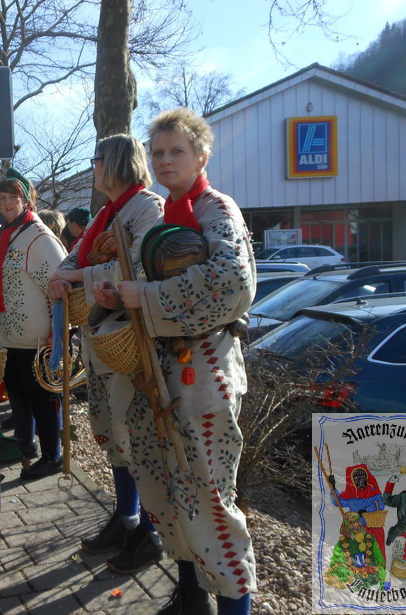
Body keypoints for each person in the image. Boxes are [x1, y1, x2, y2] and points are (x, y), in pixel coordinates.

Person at [94, 108, 257, 614]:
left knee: (207, 493)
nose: (165, 160)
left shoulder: (216, 208)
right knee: (164, 487)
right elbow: (152, 280)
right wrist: (119, 296)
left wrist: (145, 296)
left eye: (177, 151)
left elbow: (233, 282)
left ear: (201, 156)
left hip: (204, 367)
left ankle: (233, 604)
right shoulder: (165, 214)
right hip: (161, 367)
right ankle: (190, 596)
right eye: (159, 152)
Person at [46, 134, 165, 575]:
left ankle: (150, 533)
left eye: (96, 160)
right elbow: (72, 258)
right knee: (110, 431)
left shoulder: (148, 209)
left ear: (115, 162)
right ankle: (126, 516)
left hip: (129, 341)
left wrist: (77, 275)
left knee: (135, 435)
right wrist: (61, 275)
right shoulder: (104, 214)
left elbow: (136, 266)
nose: (93, 168)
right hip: (99, 338)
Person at [0, 167, 67, 479]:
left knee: (43, 400)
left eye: (13, 197)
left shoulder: (39, 237)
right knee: (19, 396)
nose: (7, 203)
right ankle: (26, 445)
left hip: (36, 339)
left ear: (26, 200)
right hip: (8, 337)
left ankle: (53, 455)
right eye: (2, 198)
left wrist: (58, 335)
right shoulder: (5, 234)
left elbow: (61, 286)